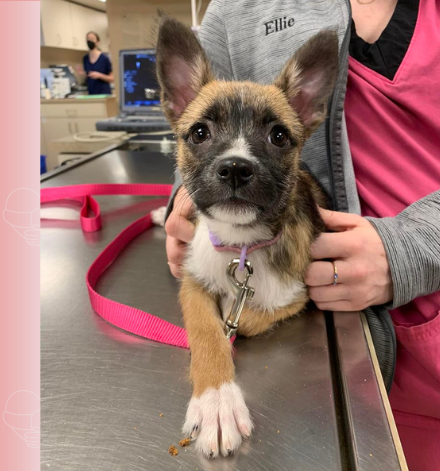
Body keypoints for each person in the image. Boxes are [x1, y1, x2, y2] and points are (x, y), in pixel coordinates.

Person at [162, 1, 440, 469]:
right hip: (328, 375)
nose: (236, 161)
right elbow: (192, 130)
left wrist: (411, 247)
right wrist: (182, 198)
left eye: (276, 136)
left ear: (307, 111)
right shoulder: (235, 10)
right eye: (203, 133)